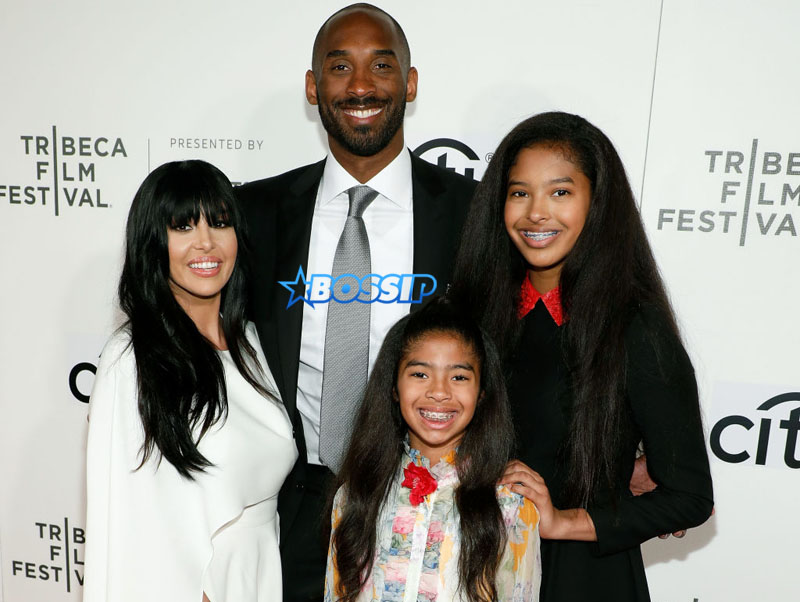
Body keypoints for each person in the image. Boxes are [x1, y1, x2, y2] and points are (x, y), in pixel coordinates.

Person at [235, 5, 476, 600]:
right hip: (290, 506)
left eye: (381, 66)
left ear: (410, 83)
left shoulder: (473, 213)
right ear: (314, 88)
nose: (361, 85)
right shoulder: (257, 215)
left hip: (430, 503)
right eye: (340, 67)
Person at [449, 112, 714, 601]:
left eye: (561, 192)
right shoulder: (468, 315)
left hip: (580, 579)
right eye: (519, 192)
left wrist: (563, 522)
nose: (536, 213)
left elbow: (689, 497)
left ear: (597, 204)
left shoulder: (635, 327)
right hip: (465, 567)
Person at [84, 160, 297, 602]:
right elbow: (134, 525)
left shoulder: (252, 343)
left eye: (220, 223)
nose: (206, 242)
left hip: (257, 573)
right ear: (152, 243)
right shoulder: (133, 361)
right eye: (182, 227)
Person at [324, 298, 540, 602]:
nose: (439, 392)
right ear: (394, 388)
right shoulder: (355, 495)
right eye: (420, 374)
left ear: (482, 393)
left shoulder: (510, 506)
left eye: (459, 377)